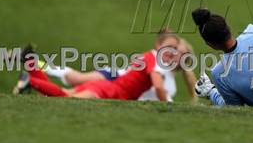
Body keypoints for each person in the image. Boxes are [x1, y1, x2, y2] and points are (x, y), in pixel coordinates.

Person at [13, 31, 191, 101]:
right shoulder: (157, 61)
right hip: (112, 84)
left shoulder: (167, 76)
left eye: (179, 52)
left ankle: (31, 67)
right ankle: (31, 75)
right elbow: (157, 87)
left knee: (64, 92)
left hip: (114, 85)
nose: (175, 53)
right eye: (174, 49)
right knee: (71, 85)